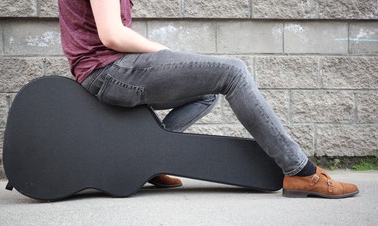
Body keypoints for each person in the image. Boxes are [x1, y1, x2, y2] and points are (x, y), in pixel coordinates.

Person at [58, 0, 359, 198]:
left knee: (206, 92)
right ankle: (300, 172)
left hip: (105, 71)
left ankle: (152, 156)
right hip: (110, 70)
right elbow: (112, 35)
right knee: (233, 72)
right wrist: (163, 52)